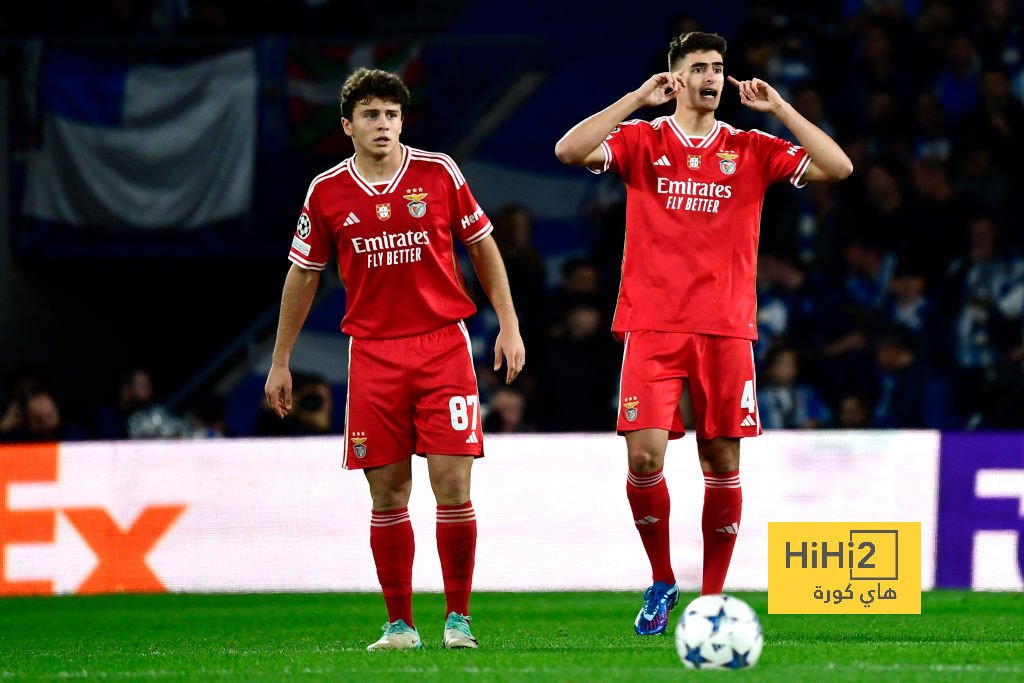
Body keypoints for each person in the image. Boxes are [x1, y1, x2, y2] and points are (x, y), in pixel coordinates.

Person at [555, 31, 851, 635]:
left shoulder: (750, 146)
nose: (713, 77)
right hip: (653, 324)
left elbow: (837, 166)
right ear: (676, 79)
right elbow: (568, 150)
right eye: (699, 68)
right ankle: (662, 579)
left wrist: (783, 109)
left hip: (724, 327)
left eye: (719, 67)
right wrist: (635, 101)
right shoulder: (644, 140)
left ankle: (712, 597)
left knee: (720, 459)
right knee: (644, 455)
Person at [264, 68, 525, 651]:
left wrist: (508, 323)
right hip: (374, 357)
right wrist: (281, 360)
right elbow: (303, 274)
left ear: (402, 121)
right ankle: (400, 625)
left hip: (443, 346)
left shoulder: (438, 173)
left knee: (453, 484)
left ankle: (458, 620)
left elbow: (481, 244)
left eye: (391, 114)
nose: (382, 124)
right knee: (387, 493)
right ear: (347, 125)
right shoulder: (326, 191)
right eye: (370, 115)